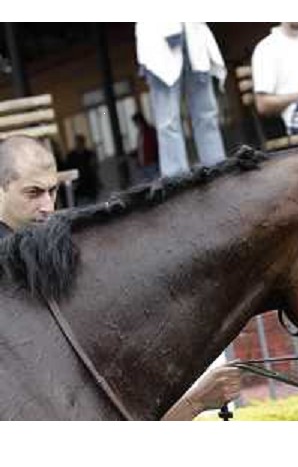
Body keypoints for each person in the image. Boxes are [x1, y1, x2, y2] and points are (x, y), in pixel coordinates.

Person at [0, 135, 241, 419]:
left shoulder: (48, 256)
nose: (48, 207)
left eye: (52, 192)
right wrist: (195, 403)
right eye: (33, 193)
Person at [135, 23, 227, 177]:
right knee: (167, 121)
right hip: (157, 39)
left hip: (193, 33)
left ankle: (217, 168)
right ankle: (176, 179)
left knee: (207, 114)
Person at [65, 134, 100, 204]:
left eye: (80, 142)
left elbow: (94, 167)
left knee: (91, 204)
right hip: (79, 186)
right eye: (77, 142)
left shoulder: (89, 154)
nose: (79, 144)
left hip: (89, 185)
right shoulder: (71, 156)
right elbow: (68, 169)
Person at [132, 111, 159, 182]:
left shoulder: (150, 131)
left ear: (140, 121)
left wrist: (156, 159)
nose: (136, 125)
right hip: (143, 166)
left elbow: (156, 145)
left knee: (155, 182)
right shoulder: (140, 134)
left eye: (136, 123)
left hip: (152, 164)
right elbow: (141, 149)